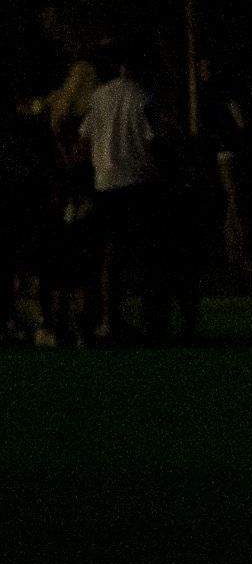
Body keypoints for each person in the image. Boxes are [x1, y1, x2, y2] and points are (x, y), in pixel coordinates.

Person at [79, 44, 160, 342]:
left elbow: (84, 139)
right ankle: (149, 320)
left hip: (105, 183)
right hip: (137, 182)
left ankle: (110, 320)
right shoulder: (142, 97)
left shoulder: (98, 97)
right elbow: (152, 141)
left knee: (111, 255)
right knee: (143, 253)